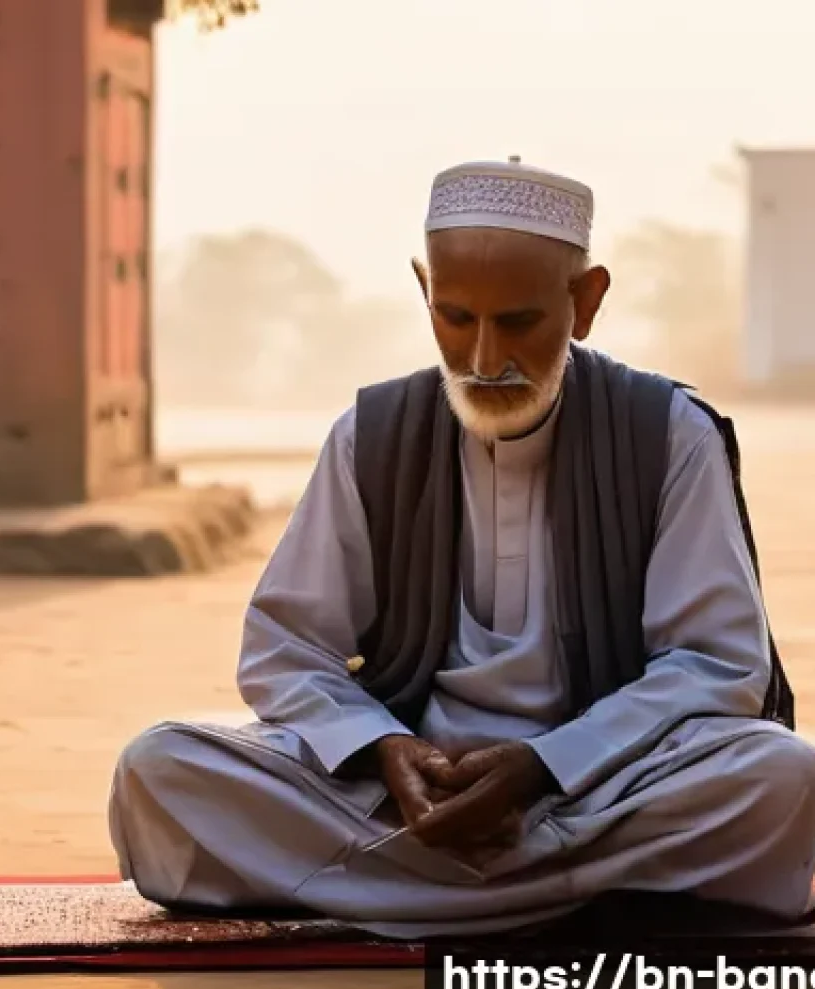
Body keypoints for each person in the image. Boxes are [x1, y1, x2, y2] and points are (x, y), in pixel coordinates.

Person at [108, 159, 815, 938]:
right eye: (455, 317)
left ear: (585, 302)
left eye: (516, 323)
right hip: (405, 795)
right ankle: (571, 894)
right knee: (159, 770)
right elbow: (286, 649)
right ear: (424, 292)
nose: (482, 360)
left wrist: (548, 765)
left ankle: (391, 894)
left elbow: (714, 663)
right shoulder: (371, 437)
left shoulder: (667, 433)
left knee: (782, 778)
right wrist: (381, 749)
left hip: (600, 782)